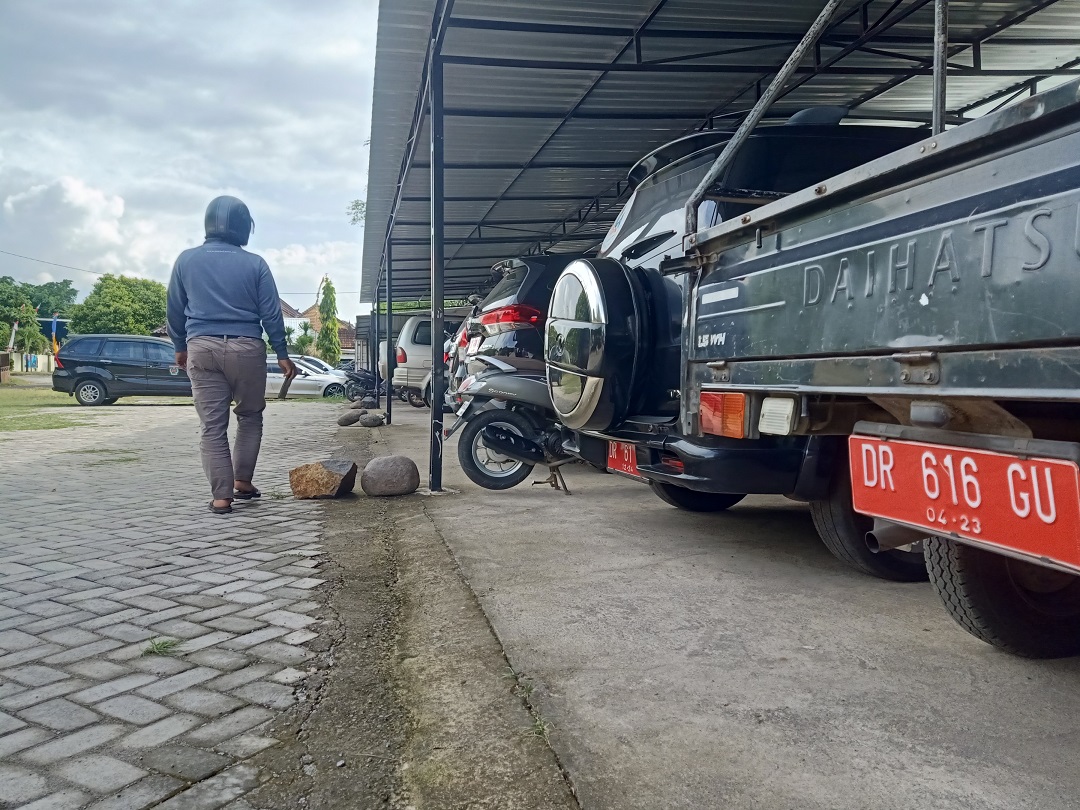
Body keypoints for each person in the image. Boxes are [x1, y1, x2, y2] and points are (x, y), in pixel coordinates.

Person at [166, 195, 297, 515]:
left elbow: (174, 309)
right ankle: (242, 481)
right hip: (247, 348)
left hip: (202, 348)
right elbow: (271, 313)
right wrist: (282, 352)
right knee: (250, 416)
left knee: (212, 426)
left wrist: (180, 346)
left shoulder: (186, 260)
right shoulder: (256, 264)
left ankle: (221, 498)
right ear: (243, 227)